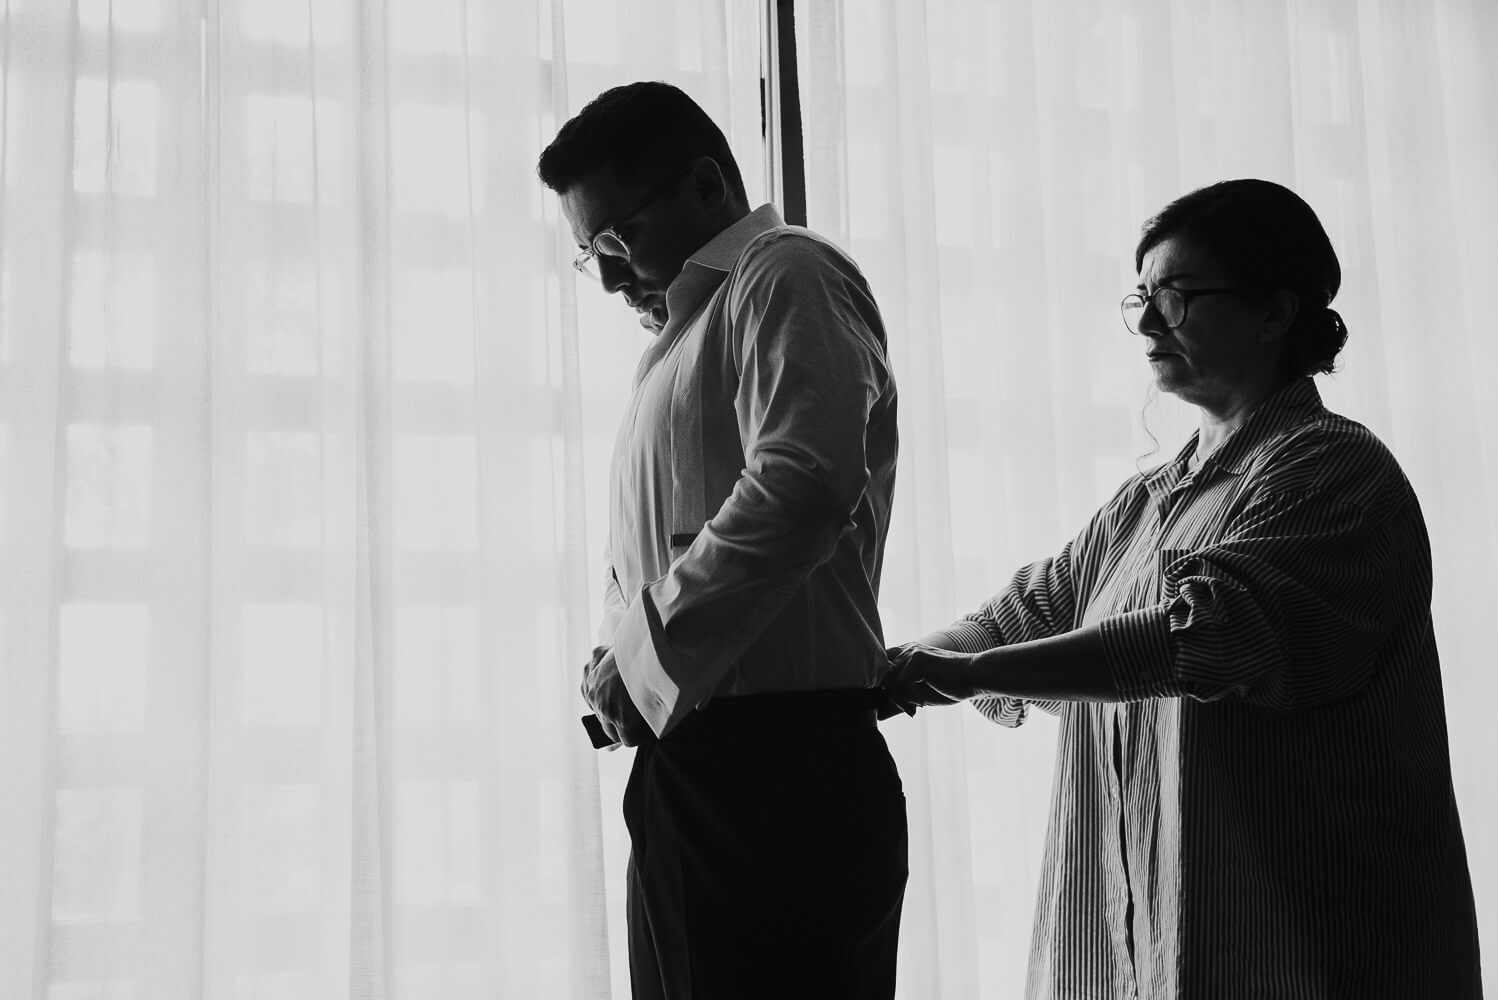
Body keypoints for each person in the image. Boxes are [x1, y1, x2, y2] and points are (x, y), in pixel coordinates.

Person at [887, 179, 1482, 998]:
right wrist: (889, 671)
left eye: (1179, 296)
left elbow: (1197, 636)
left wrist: (968, 675)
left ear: (1275, 312)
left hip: (1312, 955)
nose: (1151, 324)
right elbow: (1021, 614)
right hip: (1157, 953)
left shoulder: (1332, 468)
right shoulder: (1148, 500)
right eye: (1144, 298)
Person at [537, 81, 907, 999]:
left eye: (617, 240)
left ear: (706, 186)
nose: (613, 277)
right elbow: (660, 547)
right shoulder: (679, 338)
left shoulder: (787, 275)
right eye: (592, 256)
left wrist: (647, 653)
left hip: (780, 775)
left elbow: (802, 484)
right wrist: (618, 654)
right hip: (695, 767)